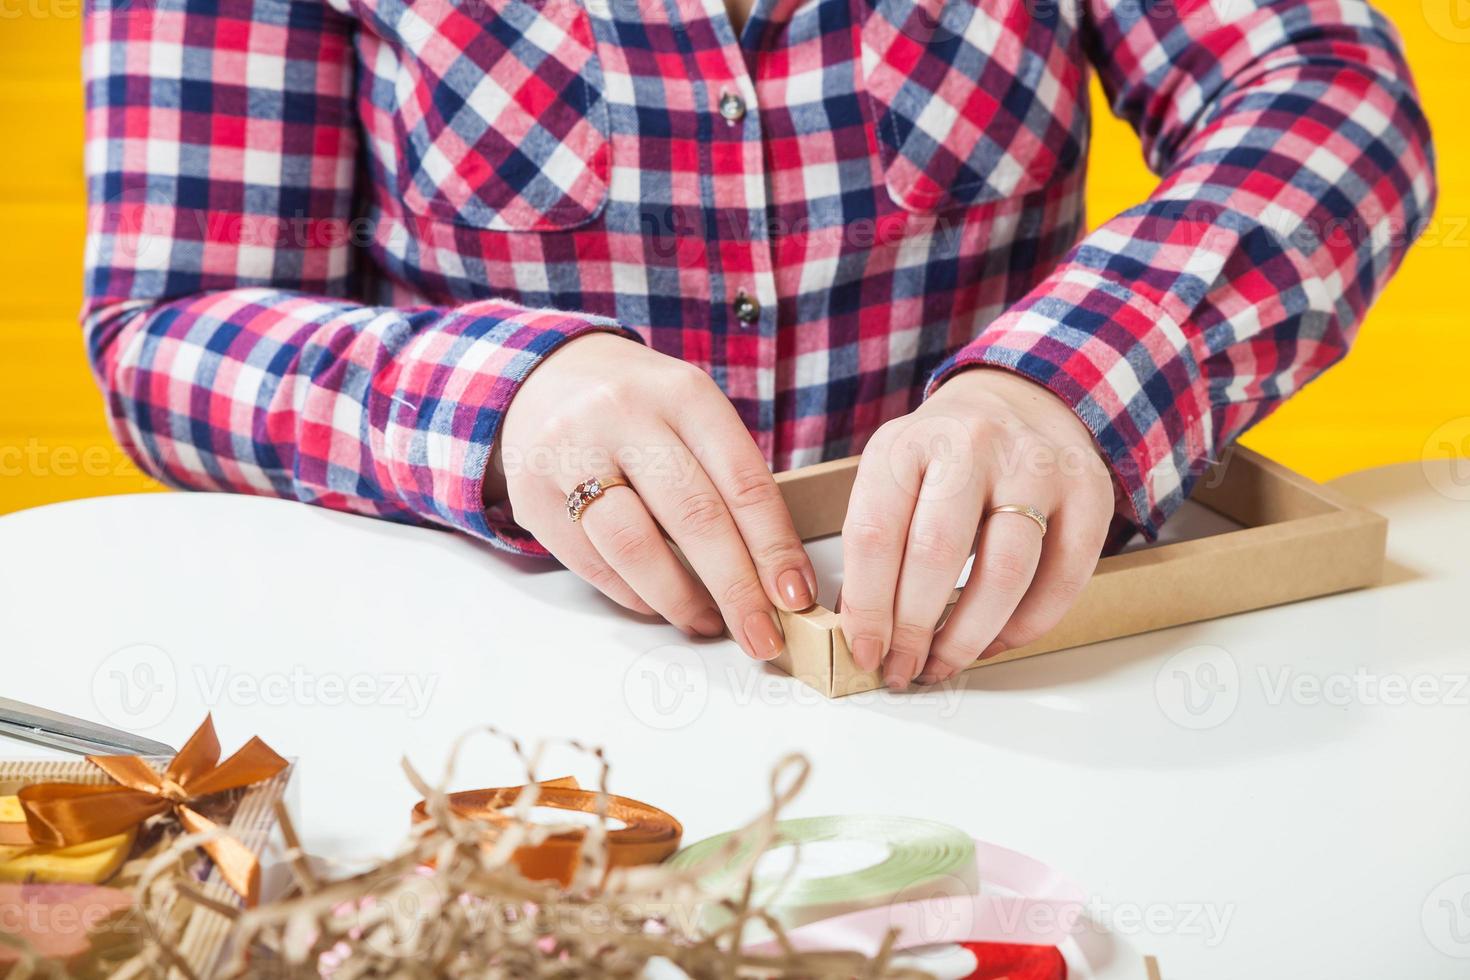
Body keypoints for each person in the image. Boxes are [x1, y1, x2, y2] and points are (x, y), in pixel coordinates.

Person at [81, 0, 1433, 689]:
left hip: (1020, 668)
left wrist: (1064, 383)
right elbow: (169, 325)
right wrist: (508, 395)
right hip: (514, 715)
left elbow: (1331, 97)